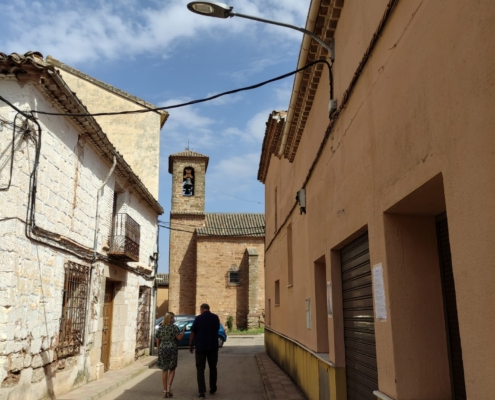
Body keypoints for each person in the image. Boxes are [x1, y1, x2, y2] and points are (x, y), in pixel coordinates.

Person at [189, 303, 220, 398]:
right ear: (208, 309)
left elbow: (192, 333)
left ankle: (202, 391)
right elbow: (217, 329)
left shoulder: (198, 318)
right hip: (213, 347)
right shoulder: (215, 317)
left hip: (200, 347)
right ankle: (213, 387)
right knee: (213, 367)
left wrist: (191, 345)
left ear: (202, 309)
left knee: (200, 369)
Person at [156, 312, 186, 398]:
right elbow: (179, 338)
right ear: (170, 318)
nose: (174, 319)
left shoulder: (160, 328)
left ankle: (165, 391)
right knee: (172, 368)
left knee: (164, 369)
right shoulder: (174, 327)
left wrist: (159, 349)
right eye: (173, 318)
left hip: (163, 349)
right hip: (172, 349)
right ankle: (169, 387)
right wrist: (183, 331)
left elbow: (158, 339)